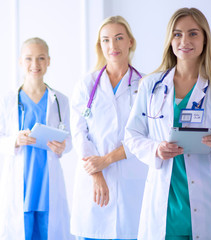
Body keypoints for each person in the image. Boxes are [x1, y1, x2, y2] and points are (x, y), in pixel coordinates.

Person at [124, 8, 211, 240]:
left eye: (193, 34)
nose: (185, 41)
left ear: (204, 39)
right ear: (170, 40)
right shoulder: (151, 85)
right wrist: (156, 149)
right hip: (166, 199)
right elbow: (132, 135)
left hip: (209, 198)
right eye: (178, 34)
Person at [70, 16, 147, 240]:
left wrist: (106, 161)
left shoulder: (144, 85)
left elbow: (144, 137)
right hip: (92, 183)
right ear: (100, 45)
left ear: (130, 42)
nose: (112, 46)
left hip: (131, 183)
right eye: (106, 40)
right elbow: (78, 133)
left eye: (118, 38)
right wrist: (96, 171)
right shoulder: (86, 84)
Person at [0, 37, 73, 240]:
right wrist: (15, 140)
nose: (35, 64)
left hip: (47, 184)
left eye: (41, 58)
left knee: (49, 233)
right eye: (28, 59)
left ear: (49, 61)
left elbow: (70, 139)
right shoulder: (7, 101)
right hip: (21, 185)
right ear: (20, 61)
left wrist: (62, 146)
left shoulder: (60, 100)